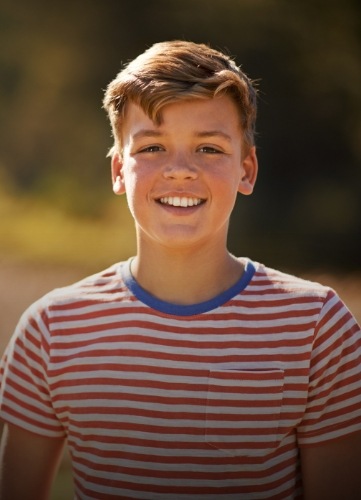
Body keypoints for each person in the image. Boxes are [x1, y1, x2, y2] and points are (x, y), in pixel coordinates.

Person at [0, 40, 361, 500]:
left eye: (209, 148)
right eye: (152, 147)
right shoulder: (51, 330)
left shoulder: (318, 327)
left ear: (246, 170)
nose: (180, 170)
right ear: (117, 171)